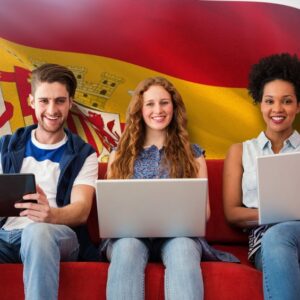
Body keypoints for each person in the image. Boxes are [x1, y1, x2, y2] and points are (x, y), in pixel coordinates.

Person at [100, 76, 239, 300]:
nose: (158, 110)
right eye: (150, 104)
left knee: (183, 249)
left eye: (164, 102)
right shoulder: (119, 155)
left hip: (179, 236)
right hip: (129, 238)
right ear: (139, 109)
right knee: (127, 249)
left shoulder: (192, 155)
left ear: (174, 107)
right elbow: (112, 212)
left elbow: (203, 213)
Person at [0, 63, 98, 300]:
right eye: (44, 101)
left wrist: (49, 216)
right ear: (32, 101)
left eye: (60, 101)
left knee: (38, 232)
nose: (52, 109)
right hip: (5, 237)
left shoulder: (84, 154)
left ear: (70, 103)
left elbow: (81, 211)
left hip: (57, 235)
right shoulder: (6, 146)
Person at [223, 53, 300, 300]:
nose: (277, 109)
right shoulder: (240, 151)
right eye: (270, 101)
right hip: (267, 240)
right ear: (260, 104)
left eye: (287, 101)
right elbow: (233, 213)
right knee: (277, 235)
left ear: (298, 106)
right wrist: (277, 214)